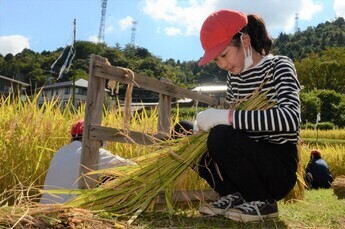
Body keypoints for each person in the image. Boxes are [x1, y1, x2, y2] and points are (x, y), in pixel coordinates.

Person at [193, 9, 301, 222]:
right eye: (216, 61)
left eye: (223, 55)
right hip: (247, 163)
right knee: (183, 132)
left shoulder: (279, 65)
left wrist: (226, 117)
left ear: (244, 40)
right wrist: (203, 125)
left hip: (277, 167)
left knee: (221, 135)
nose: (222, 65)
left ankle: (263, 201)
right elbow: (236, 135)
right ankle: (234, 195)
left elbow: (290, 119)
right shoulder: (234, 79)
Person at [40, 120, 136, 204]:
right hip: (69, 209)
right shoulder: (95, 153)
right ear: (97, 136)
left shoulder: (60, 152)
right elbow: (131, 166)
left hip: (45, 207)